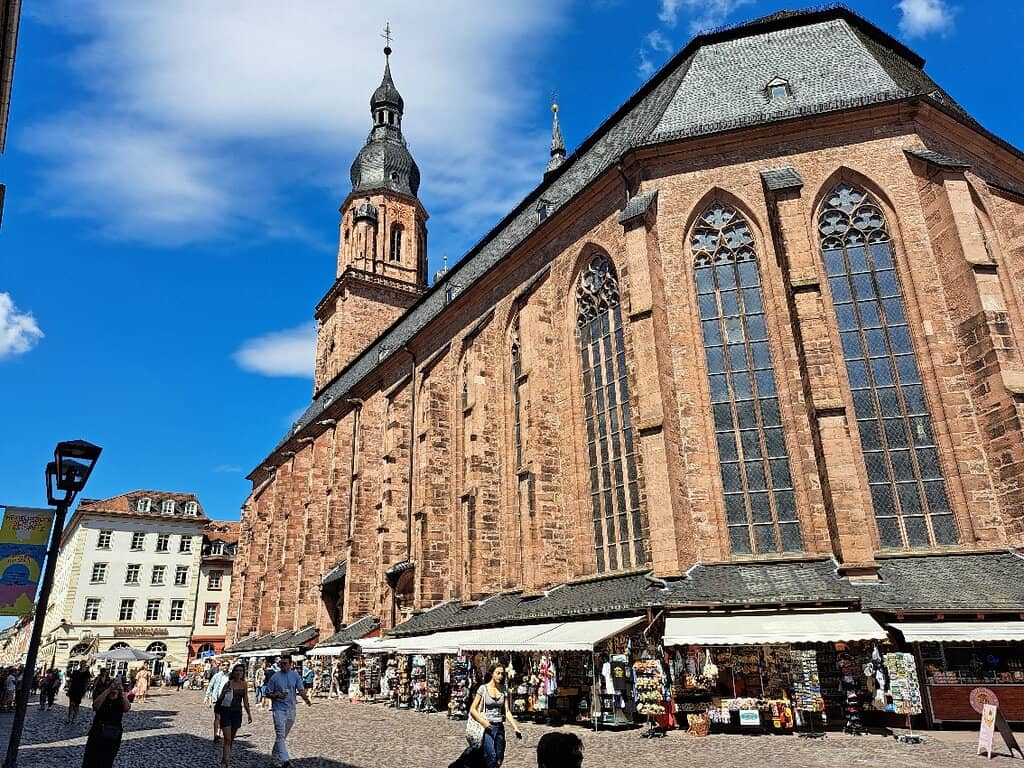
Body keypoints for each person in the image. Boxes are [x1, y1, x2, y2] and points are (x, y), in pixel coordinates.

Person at [451, 664, 523, 768]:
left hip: (499, 728)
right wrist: (483, 722)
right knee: (491, 757)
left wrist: (516, 728)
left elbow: (507, 711)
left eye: (502, 674)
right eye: (498, 673)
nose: (500, 676)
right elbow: (472, 709)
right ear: (492, 674)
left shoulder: (503, 690)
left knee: (499, 758)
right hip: (487, 729)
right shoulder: (483, 689)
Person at [262, 655, 312, 768]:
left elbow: (300, 689)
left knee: (282, 736)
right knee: (280, 734)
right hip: (278, 709)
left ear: (290, 664)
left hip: (291, 709)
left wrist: (307, 700)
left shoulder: (295, 675)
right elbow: (267, 693)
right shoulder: (275, 677)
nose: (283, 665)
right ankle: (286, 760)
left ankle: (274, 759)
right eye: (281, 663)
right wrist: (277, 695)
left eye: (285, 663)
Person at [80, 675, 131, 768]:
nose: (114, 688)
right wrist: (107, 691)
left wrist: (122, 692)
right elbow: (95, 706)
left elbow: (127, 708)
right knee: (91, 758)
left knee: (107, 759)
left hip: (113, 733)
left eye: (116, 687)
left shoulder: (121, 699)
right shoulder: (104, 697)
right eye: (113, 686)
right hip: (98, 731)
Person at [216, 664, 252, 768]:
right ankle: (226, 762)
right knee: (227, 738)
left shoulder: (244, 684)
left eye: (241, 671)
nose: (238, 673)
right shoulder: (228, 683)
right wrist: (224, 693)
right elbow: (221, 698)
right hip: (226, 712)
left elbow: (245, 700)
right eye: (237, 670)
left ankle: (224, 759)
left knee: (231, 739)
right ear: (233, 672)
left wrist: (249, 714)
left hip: (237, 713)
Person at [205, 662, 229, 741]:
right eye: (224, 665)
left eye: (227, 665)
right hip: (217, 699)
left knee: (223, 718)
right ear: (221, 666)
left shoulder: (230, 676)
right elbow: (210, 686)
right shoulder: (217, 675)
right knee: (217, 717)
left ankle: (219, 731)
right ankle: (216, 734)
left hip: (227, 700)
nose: (225, 666)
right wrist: (207, 697)